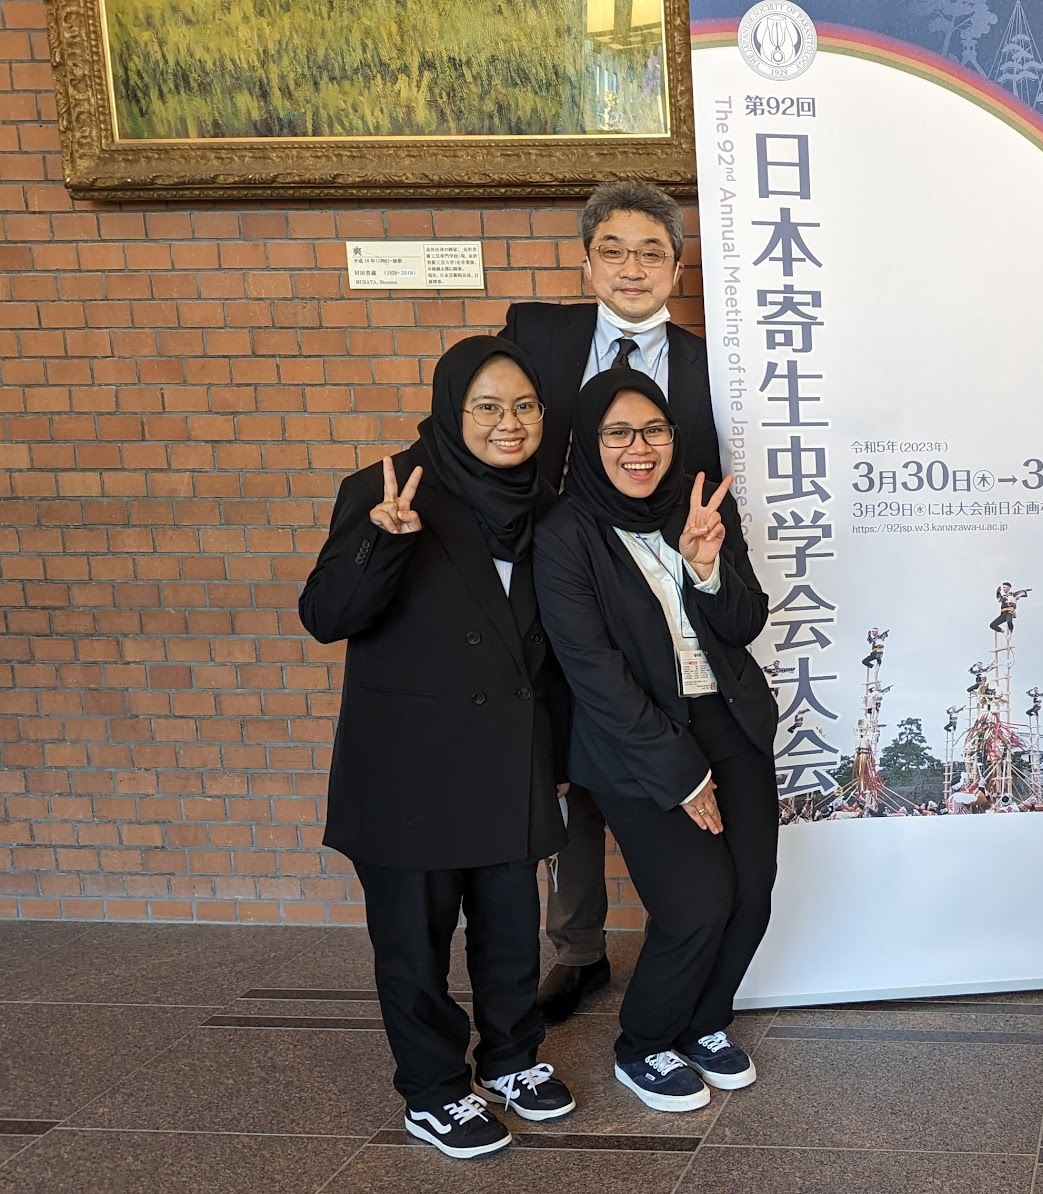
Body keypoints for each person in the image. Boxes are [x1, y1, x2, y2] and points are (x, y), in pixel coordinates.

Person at [299, 336, 576, 1159]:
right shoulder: (389, 487)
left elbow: (554, 651)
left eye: (524, 406)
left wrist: (557, 761)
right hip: (409, 770)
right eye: (486, 406)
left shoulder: (545, 504)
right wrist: (383, 539)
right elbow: (326, 616)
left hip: (508, 761)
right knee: (414, 946)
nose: (508, 423)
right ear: (452, 411)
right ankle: (433, 1091)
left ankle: (512, 1059)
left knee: (510, 930)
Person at [500, 179, 725, 1023]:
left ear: (677, 268)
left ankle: (687, 929)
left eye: (652, 253)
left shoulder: (713, 362)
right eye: (614, 251)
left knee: (647, 738)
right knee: (564, 762)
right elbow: (488, 430)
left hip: (658, 589)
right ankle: (579, 949)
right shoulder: (538, 336)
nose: (633, 268)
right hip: (548, 579)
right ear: (587, 263)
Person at [532, 369, 779, 1112]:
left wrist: (707, 570)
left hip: (729, 721)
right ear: (590, 442)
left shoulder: (696, 509)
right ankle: (643, 1043)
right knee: (697, 902)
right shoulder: (566, 534)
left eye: (653, 431)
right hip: (632, 742)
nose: (639, 448)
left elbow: (744, 623)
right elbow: (593, 670)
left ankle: (703, 1023)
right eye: (618, 432)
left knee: (751, 897)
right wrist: (681, 772)